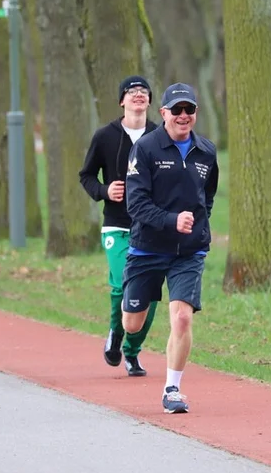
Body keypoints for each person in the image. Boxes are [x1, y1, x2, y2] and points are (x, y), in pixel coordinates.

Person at [122, 82, 219, 414]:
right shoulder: (147, 149)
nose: (182, 116)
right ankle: (127, 341)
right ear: (162, 113)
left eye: (188, 109)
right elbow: (136, 205)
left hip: (189, 252)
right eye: (175, 110)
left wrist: (198, 227)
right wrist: (171, 220)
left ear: (196, 113)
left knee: (181, 319)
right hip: (147, 248)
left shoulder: (207, 151)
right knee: (132, 322)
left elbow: (208, 196)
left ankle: (172, 389)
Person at [79, 76, 160, 376]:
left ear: (150, 101)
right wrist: (104, 191)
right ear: (122, 100)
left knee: (150, 294)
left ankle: (132, 352)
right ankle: (116, 332)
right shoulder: (105, 136)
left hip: (152, 229)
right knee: (121, 284)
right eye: (132, 91)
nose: (138, 95)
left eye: (144, 92)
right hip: (117, 225)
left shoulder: (159, 135)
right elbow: (86, 175)